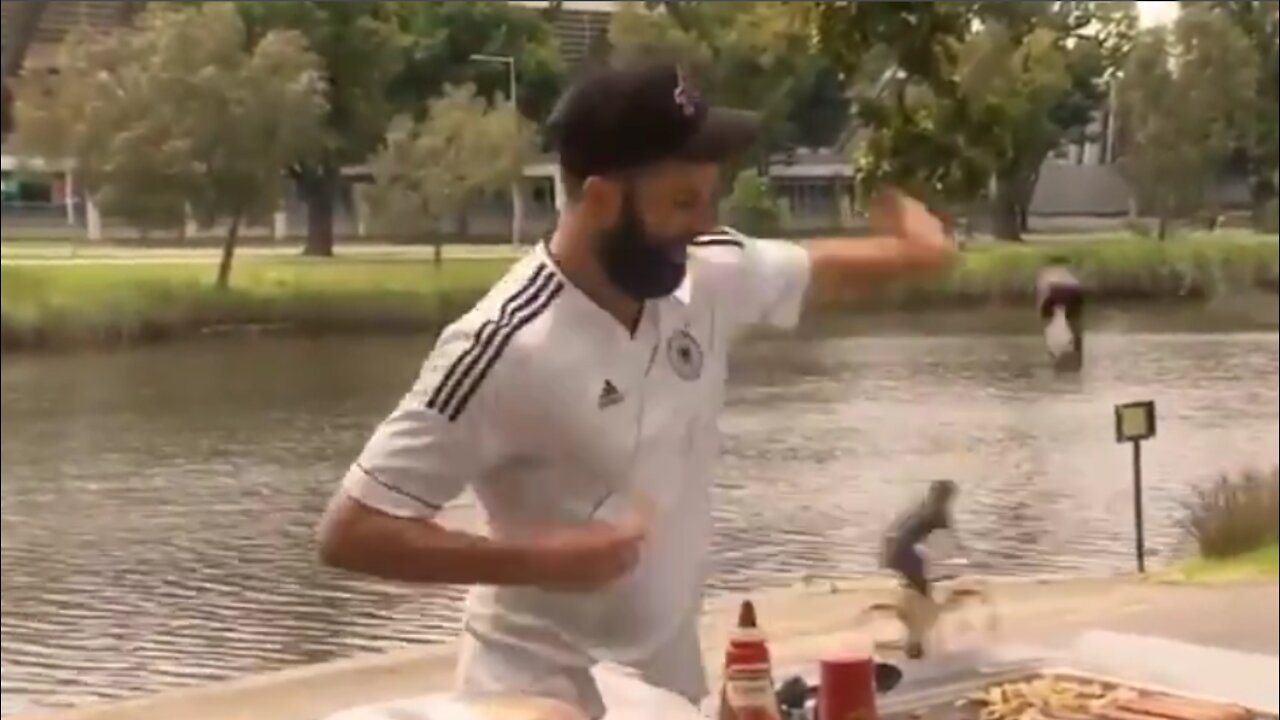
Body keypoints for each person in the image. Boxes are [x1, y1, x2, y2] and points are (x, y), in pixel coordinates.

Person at [316, 59, 955, 719]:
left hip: (665, 694)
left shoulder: (704, 276)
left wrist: (921, 247)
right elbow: (352, 531)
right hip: (534, 693)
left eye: (711, 196)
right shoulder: (501, 346)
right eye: (682, 202)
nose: (706, 222)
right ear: (599, 200)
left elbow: (829, 269)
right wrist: (540, 559)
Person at [880, 479, 962, 659]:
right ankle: (914, 645)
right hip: (908, 555)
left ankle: (912, 636)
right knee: (924, 599)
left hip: (892, 552)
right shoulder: (939, 515)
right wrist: (960, 562)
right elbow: (950, 543)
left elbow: (896, 533)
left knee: (917, 591)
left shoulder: (919, 508)